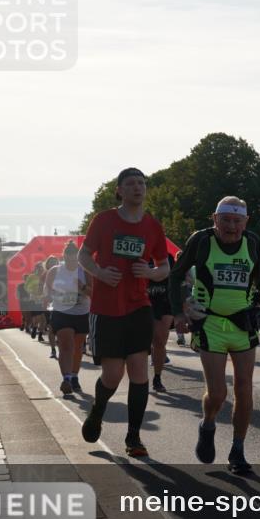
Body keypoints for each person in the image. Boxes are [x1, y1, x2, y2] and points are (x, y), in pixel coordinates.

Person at [171, 196, 260, 473]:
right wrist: (179, 312)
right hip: (209, 323)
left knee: (244, 387)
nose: (232, 227)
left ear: (245, 222)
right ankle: (208, 423)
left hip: (242, 323)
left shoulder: (251, 242)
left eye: (238, 221)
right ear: (215, 219)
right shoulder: (201, 241)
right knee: (217, 393)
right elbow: (175, 275)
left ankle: (238, 450)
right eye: (226, 220)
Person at [79, 167, 170, 458]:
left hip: (138, 305)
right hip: (106, 308)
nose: (137, 187)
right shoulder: (104, 220)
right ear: (119, 190)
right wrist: (99, 273)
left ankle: (134, 437)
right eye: (130, 183)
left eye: (141, 183)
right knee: (113, 375)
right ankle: (97, 411)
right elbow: (83, 255)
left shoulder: (153, 226)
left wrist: (152, 272)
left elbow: (166, 266)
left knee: (139, 371)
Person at [44, 241, 91, 395]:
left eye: (74, 258)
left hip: (81, 313)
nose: (71, 261)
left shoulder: (85, 271)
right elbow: (47, 290)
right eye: (68, 257)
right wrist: (53, 298)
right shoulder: (55, 271)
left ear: (77, 257)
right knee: (66, 346)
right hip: (61, 312)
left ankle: (74, 376)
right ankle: (66, 379)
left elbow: (93, 293)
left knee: (77, 348)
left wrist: (82, 288)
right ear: (64, 256)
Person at [148, 254, 176, 392]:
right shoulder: (140, 255)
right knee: (146, 341)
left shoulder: (168, 257)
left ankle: (157, 378)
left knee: (159, 341)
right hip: (145, 301)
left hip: (166, 301)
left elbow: (176, 277)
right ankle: (139, 379)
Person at [41, 256, 60, 359]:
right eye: (51, 262)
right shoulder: (45, 274)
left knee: (61, 329)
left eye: (55, 262)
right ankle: (53, 350)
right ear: (47, 264)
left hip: (61, 305)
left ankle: (63, 349)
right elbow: (43, 289)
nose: (53, 264)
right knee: (51, 329)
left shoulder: (63, 272)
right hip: (49, 305)